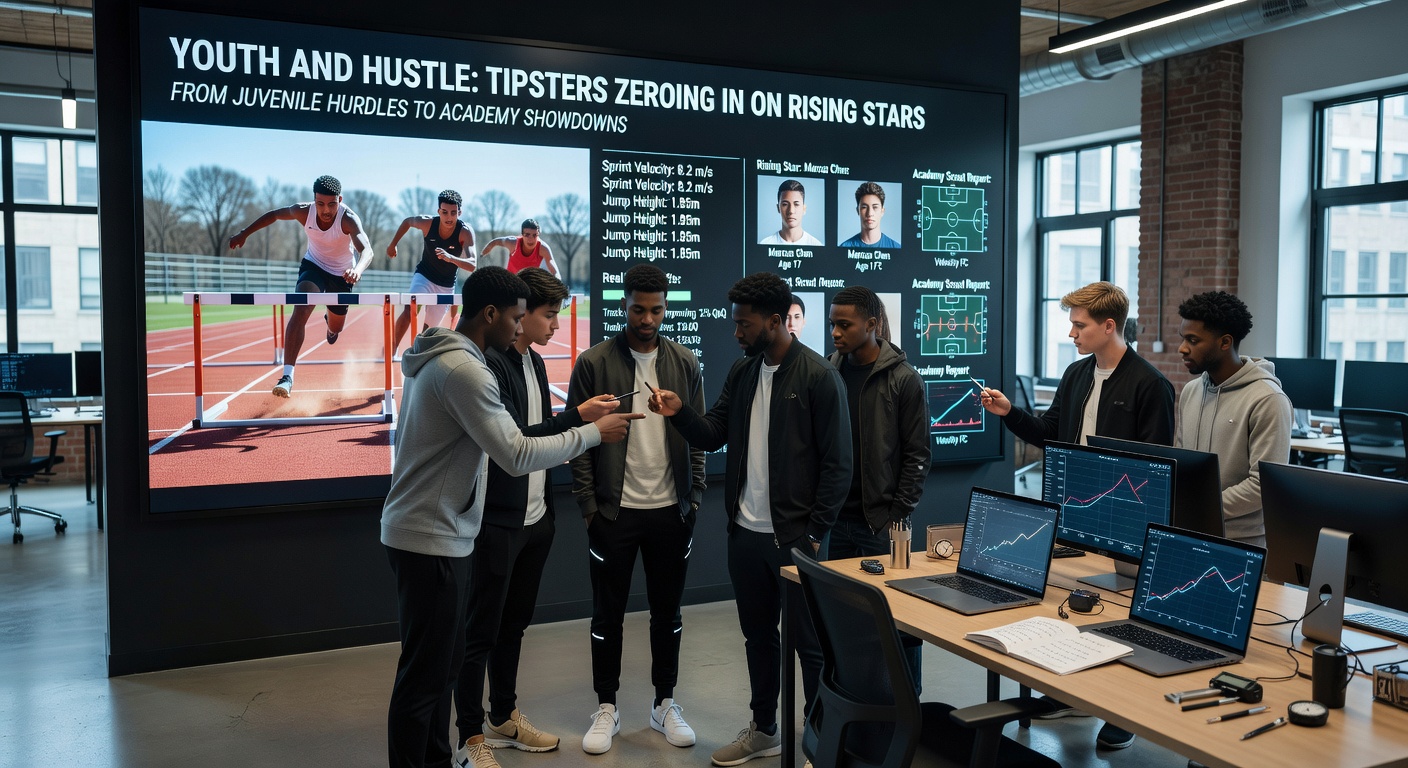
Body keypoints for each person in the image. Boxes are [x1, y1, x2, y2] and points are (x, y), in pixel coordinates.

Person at [379, 266, 641, 768]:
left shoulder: (450, 360)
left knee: (437, 672)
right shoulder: (467, 371)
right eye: (518, 317)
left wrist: (576, 420)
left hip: (434, 533)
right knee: (424, 680)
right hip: (429, 536)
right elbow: (516, 453)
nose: (521, 327)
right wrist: (592, 432)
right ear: (493, 314)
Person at [648, 272, 851, 767]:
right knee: (758, 637)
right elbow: (714, 432)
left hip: (795, 539)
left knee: (812, 647)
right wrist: (678, 412)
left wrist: (816, 533)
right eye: (735, 323)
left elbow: (838, 464)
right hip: (745, 534)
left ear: (776, 321)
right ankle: (765, 728)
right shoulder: (743, 372)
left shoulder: (819, 376)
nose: (736, 332)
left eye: (744, 324)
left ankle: (818, 741)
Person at [976, 280, 1174, 752]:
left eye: (1079, 325)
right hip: (1077, 512)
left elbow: (1156, 468)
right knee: (1073, 607)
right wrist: (1010, 413)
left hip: (1125, 522)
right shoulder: (1077, 374)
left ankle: (1122, 711)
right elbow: (1050, 433)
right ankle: (1075, 690)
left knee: (1125, 619)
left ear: (1109, 326)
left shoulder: (1151, 385)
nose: (1071, 332)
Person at [452, 268, 624, 768]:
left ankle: (502, 717)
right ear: (518, 315)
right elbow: (517, 443)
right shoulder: (489, 364)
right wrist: (584, 424)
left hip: (536, 519)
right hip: (497, 523)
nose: (555, 324)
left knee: (513, 626)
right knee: (480, 631)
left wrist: (577, 413)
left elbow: (537, 429)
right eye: (549, 315)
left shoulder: (533, 359)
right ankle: (469, 738)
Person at [566, 263, 707, 756]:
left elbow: (697, 437)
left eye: (656, 310)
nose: (647, 319)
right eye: (637, 309)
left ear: (665, 308)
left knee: (667, 615)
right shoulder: (593, 362)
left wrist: (694, 499)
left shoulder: (685, 364)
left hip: (671, 512)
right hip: (614, 514)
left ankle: (664, 702)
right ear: (623, 306)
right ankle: (607, 706)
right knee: (607, 615)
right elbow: (578, 442)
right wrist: (589, 506)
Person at [824, 285, 930, 691]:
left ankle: (908, 707)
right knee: (844, 625)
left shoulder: (904, 380)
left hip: (879, 527)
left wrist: (895, 519)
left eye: (844, 324)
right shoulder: (828, 372)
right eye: (833, 323)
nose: (835, 332)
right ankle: (857, 707)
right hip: (835, 523)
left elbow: (917, 456)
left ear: (872, 324)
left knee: (897, 623)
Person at [228, 175, 376, 398]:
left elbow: (368, 251)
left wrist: (358, 270)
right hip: (314, 265)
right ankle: (287, 377)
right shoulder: (302, 211)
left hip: (342, 274)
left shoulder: (348, 219)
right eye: (320, 204)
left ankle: (330, 325)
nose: (326, 210)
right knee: (301, 308)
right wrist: (244, 233)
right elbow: (275, 215)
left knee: (336, 328)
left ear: (340, 199)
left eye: (332, 204)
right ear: (314, 200)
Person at [1175, 291, 1292, 547]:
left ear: (1225, 342)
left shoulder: (1268, 399)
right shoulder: (1191, 391)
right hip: (1190, 532)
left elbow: (1262, 486)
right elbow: (1180, 459)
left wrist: (1199, 506)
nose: (1182, 348)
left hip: (1242, 543)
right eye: (1183, 338)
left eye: (1193, 340)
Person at [386, 189, 477, 357]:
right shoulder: (428, 223)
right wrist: (393, 245)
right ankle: (392, 347)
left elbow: (472, 264)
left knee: (428, 332)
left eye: (453, 213)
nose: (449, 218)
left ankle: (418, 356)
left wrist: (451, 258)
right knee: (410, 309)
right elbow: (407, 222)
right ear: (438, 211)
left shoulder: (464, 231)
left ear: (460, 212)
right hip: (424, 276)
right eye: (444, 212)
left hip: (446, 285)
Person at [481, 218, 561, 277]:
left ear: (538, 234)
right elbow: (495, 242)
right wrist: (482, 254)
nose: (531, 239)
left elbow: (555, 271)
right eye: (527, 235)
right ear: (522, 234)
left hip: (529, 284)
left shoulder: (543, 248)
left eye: (534, 235)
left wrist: (558, 286)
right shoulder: (513, 243)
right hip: (511, 281)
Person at [759, 180, 822, 246]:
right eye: (785, 204)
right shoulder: (765, 243)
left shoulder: (816, 245)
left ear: (804, 209)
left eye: (796, 204)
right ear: (778, 208)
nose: (791, 211)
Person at [838, 182, 899, 248]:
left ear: (882, 211)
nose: (870, 213)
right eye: (864, 207)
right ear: (858, 210)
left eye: (875, 207)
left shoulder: (896, 247)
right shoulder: (845, 247)